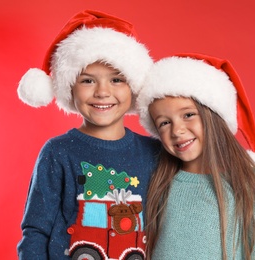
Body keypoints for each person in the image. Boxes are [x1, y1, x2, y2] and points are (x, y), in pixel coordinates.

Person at [16, 10, 160, 259]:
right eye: (88, 81)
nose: (103, 92)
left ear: (134, 87)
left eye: (116, 80)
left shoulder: (153, 153)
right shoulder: (57, 151)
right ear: (70, 86)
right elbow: (36, 230)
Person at [137, 53, 255, 259]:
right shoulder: (157, 181)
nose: (177, 130)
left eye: (188, 115)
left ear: (213, 115)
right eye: (164, 122)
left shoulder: (249, 183)